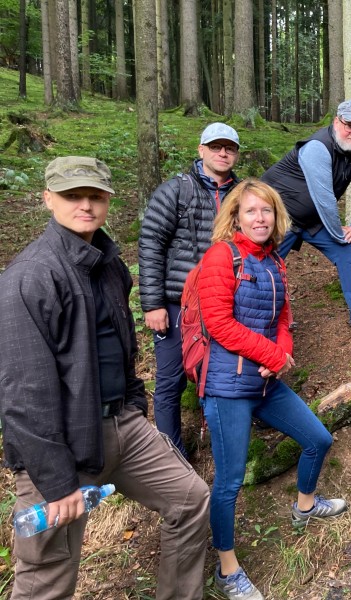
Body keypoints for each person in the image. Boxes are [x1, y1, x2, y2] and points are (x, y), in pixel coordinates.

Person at [0, 157, 210, 600]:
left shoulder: (109, 263)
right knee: (48, 575)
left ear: (108, 201)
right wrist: (57, 484)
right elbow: (22, 393)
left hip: (123, 426)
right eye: (73, 195)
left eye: (95, 196)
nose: (86, 205)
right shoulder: (31, 276)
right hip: (59, 445)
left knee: (190, 499)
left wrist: (135, 404)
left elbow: (121, 344)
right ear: (48, 199)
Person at [197, 179, 347, 600]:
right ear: (235, 217)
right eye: (251, 211)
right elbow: (219, 324)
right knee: (228, 481)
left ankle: (304, 505)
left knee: (318, 439)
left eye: (266, 211)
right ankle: (228, 571)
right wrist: (271, 354)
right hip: (227, 386)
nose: (259, 218)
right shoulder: (220, 257)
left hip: (265, 381)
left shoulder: (274, 261)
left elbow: (283, 319)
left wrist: (280, 351)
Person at [139, 122, 241, 457]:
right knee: (170, 380)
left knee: (220, 372)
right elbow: (151, 244)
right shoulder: (176, 190)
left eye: (229, 147)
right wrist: (152, 304)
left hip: (224, 301)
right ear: (201, 150)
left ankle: (225, 443)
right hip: (175, 304)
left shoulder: (243, 195)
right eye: (216, 146)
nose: (222, 152)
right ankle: (173, 457)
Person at [261, 99, 351, 332]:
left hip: (313, 220)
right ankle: (261, 323)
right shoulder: (317, 147)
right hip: (279, 217)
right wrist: (337, 232)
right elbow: (325, 200)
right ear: (336, 122)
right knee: (263, 267)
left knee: (347, 253)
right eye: (349, 126)